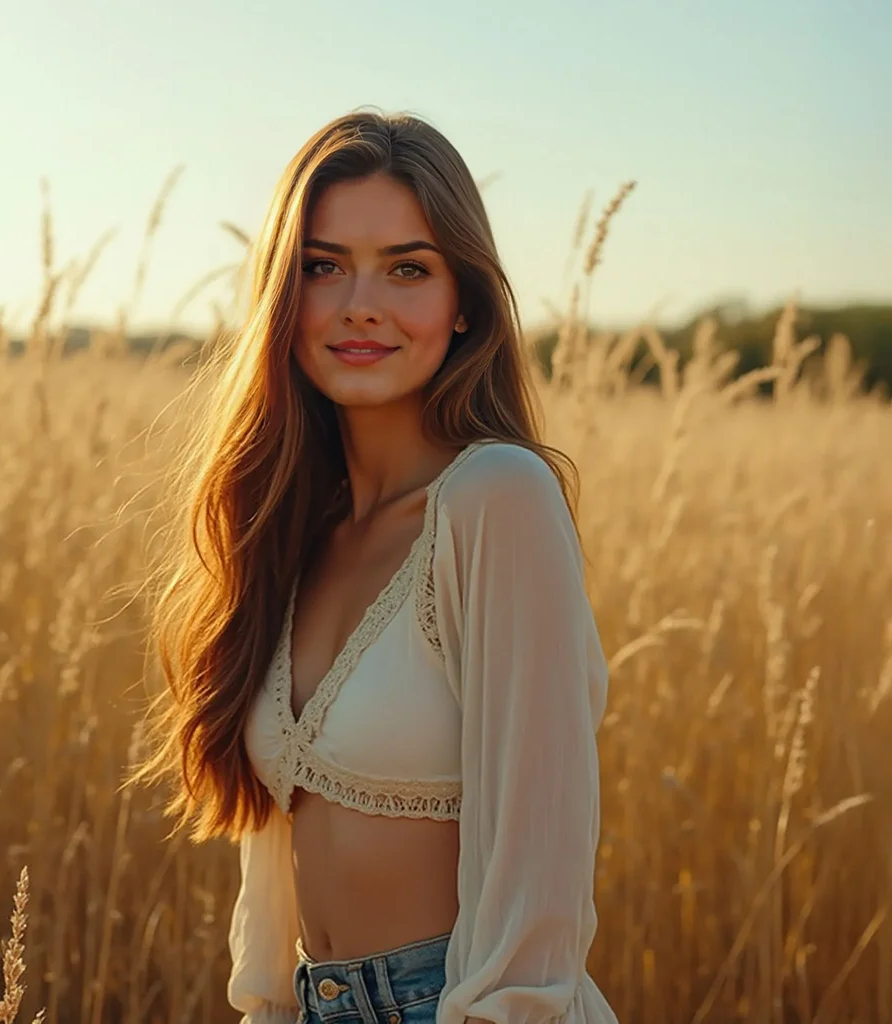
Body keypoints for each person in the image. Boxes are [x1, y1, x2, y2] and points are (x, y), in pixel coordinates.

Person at [133, 108, 617, 1024]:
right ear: (285, 293)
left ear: (463, 300)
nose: (362, 303)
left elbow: (540, 859)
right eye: (323, 266)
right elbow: (273, 869)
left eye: (407, 268)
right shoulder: (290, 530)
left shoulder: (496, 499)